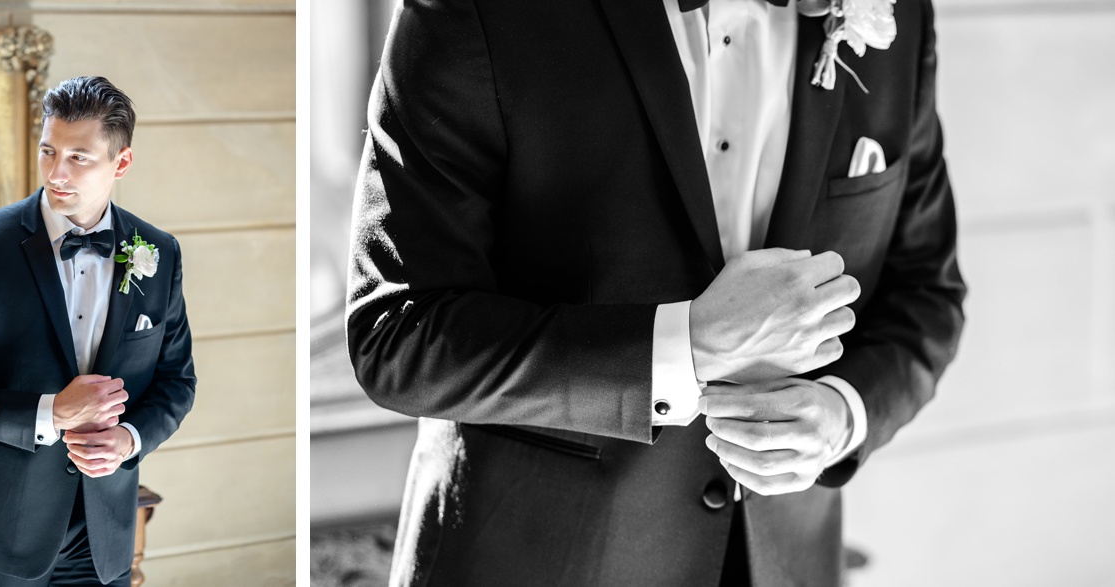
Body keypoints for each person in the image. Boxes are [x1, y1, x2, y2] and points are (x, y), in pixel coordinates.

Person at [344, 1, 965, 585]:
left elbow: (927, 293)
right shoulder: (480, 11)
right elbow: (397, 336)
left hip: (785, 563)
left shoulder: (897, 16)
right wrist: (685, 346)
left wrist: (843, 412)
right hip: (536, 559)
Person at [0, 76, 197, 587]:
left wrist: (129, 439)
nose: (56, 173)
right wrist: (51, 412)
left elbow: (177, 382)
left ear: (121, 163)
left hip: (104, 532)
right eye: (49, 151)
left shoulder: (159, 253)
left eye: (79, 157)